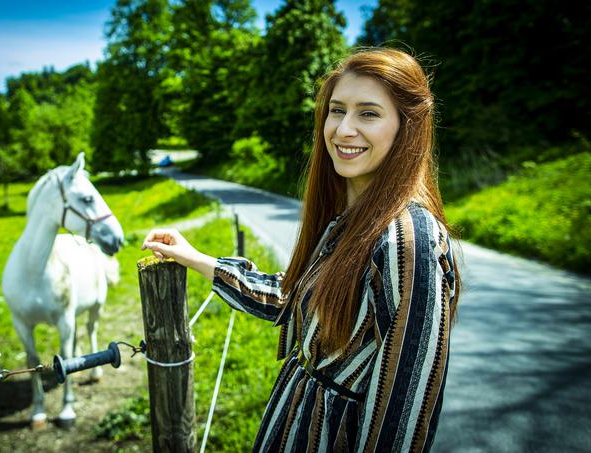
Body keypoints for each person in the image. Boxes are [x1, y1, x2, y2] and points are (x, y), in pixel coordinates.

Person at [142, 47, 460, 453]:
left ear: (407, 127)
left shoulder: (407, 239)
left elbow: (406, 411)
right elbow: (293, 300)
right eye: (337, 109)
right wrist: (197, 258)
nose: (344, 129)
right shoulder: (349, 220)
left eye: (368, 113)